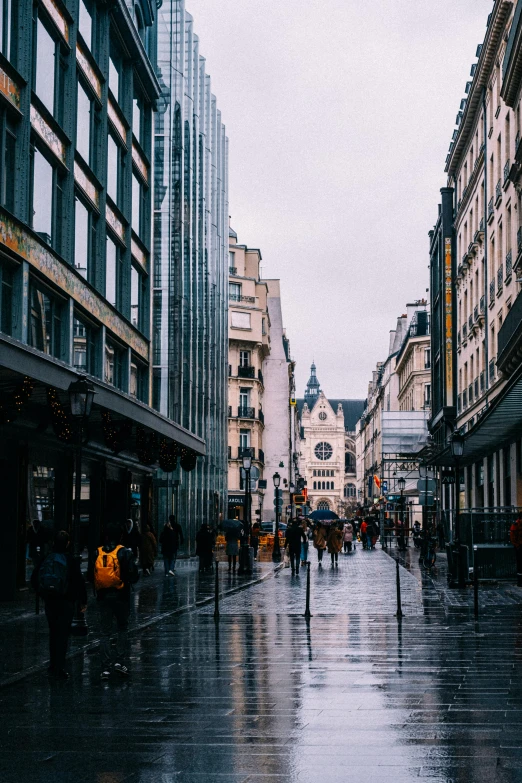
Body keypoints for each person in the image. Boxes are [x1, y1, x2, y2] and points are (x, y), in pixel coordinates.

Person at [31, 530, 87, 680]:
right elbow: (79, 581)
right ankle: (60, 666)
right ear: (68, 543)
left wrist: (43, 593)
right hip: (66, 601)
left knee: (53, 632)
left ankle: (52, 664)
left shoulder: (47, 558)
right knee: (63, 634)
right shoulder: (70, 560)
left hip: (50, 601)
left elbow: (34, 579)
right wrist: (82, 600)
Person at [95, 523, 139, 680]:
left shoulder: (98, 552)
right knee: (122, 628)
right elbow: (134, 575)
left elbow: (90, 575)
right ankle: (120, 662)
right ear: (120, 536)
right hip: (121, 596)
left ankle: (105, 668)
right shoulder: (124, 552)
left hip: (103, 596)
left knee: (105, 632)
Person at [510, 515, 522, 587]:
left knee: (520, 565)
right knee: (520, 564)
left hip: (519, 546)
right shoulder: (516, 525)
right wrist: (517, 545)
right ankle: (520, 581)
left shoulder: (515, 525)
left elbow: (512, 536)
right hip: (520, 546)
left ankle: (520, 581)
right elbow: (512, 537)